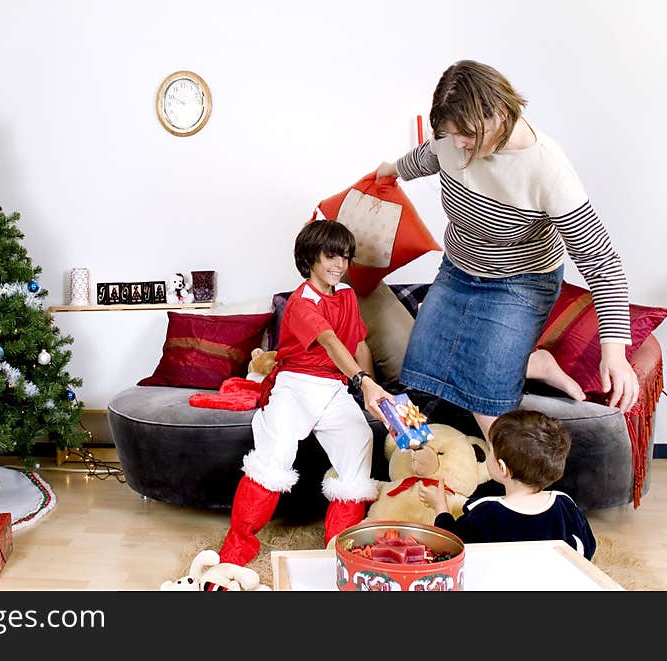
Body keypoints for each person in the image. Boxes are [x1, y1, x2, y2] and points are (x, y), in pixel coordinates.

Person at [374, 60, 639, 440]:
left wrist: (614, 353)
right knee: (422, 372)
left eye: (467, 137)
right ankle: (534, 363)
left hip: (520, 283)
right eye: (451, 136)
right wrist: (391, 170)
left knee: (487, 400)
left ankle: (512, 481)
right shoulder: (452, 141)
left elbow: (602, 263)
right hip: (458, 269)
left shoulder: (546, 169)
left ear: (498, 114)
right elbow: (430, 156)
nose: (459, 146)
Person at [218, 219, 394, 566]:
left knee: (359, 440)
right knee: (276, 453)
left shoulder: (346, 296)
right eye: (331, 256)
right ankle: (236, 552)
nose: (339, 265)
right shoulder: (301, 303)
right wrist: (363, 381)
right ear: (310, 257)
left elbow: (357, 344)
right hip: (295, 385)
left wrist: (371, 393)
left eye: (345, 257)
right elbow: (329, 341)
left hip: (335, 387)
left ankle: (340, 551)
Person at [418, 409, 596, 560]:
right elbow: (587, 548)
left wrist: (440, 507)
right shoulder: (565, 504)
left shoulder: (486, 513)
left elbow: (451, 547)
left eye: (491, 451)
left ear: (502, 468)